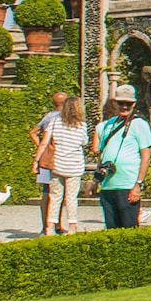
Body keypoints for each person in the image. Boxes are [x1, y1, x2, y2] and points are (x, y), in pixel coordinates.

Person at [92, 85, 151, 228]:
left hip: (127, 184)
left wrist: (138, 184)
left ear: (134, 104)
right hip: (108, 185)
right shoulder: (108, 124)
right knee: (111, 230)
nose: (125, 107)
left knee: (129, 228)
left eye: (128, 104)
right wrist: (95, 180)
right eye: (121, 103)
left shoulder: (139, 124)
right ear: (116, 103)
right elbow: (102, 154)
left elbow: (146, 156)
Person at [35, 96, 88, 234]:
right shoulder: (81, 125)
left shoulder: (55, 122)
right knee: (71, 198)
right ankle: (72, 226)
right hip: (74, 166)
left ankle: (50, 226)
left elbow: (44, 142)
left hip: (58, 164)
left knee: (55, 197)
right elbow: (84, 142)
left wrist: (37, 160)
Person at [30, 91, 67, 236]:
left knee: (46, 193)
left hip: (45, 159)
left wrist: (41, 147)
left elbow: (33, 132)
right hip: (59, 158)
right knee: (58, 194)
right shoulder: (63, 118)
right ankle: (56, 225)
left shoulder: (48, 117)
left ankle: (46, 226)